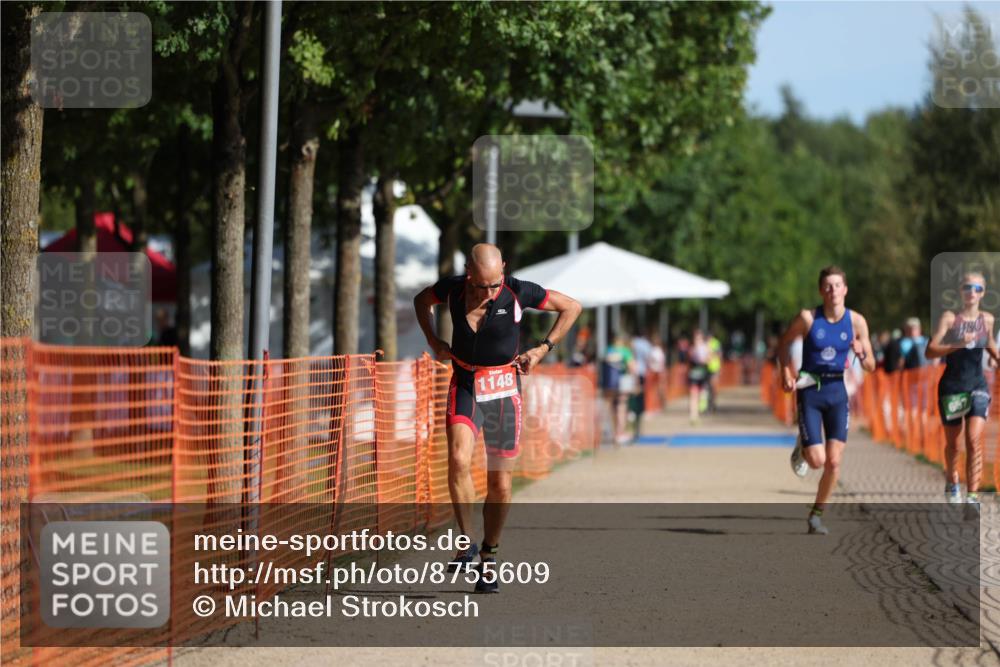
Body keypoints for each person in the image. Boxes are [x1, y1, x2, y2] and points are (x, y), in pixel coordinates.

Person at [413, 244, 581, 592]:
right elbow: (421, 301)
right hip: (466, 382)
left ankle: (489, 555)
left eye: (495, 285)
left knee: (500, 484)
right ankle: (466, 541)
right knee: (458, 458)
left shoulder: (518, 291)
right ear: (468, 272)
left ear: (503, 269)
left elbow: (571, 307)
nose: (489, 293)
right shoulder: (453, 289)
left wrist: (541, 349)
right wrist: (434, 340)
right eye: (482, 286)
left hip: (504, 388)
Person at [778, 266, 876, 535]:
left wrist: (862, 354)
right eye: (828, 286)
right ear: (821, 291)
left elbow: (871, 366)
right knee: (817, 461)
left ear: (845, 289)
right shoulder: (808, 319)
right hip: (810, 390)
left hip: (837, 391)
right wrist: (786, 372)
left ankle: (816, 515)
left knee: (834, 462)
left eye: (838, 285)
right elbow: (783, 343)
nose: (833, 291)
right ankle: (804, 446)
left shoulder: (857, 322)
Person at [925, 272, 1000, 518]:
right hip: (952, 387)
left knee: (974, 439)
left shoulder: (987, 319)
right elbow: (930, 350)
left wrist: (997, 356)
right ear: (960, 290)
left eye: (976, 287)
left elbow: (989, 342)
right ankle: (951, 478)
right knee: (954, 445)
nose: (971, 291)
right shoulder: (950, 319)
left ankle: (973, 497)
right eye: (967, 286)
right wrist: (956, 344)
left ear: (982, 293)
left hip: (977, 385)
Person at [602, 334, 636, 446]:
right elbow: (632, 367)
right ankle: (620, 434)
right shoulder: (625, 351)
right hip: (623, 381)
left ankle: (607, 431)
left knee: (610, 406)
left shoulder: (608, 350)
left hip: (609, 383)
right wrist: (636, 383)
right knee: (622, 406)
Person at [630, 330, 653, 440]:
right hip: (641, 373)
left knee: (634, 399)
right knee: (639, 399)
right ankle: (637, 424)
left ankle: (635, 423)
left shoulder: (632, 343)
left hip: (633, 374)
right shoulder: (646, 344)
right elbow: (649, 358)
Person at [687, 329, 711, 424]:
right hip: (694, 374)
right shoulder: (692, 348)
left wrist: (704, 359)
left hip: (703, 373)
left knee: (703, 393)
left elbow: (709, 359)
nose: (697, 340)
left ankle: (702, 405)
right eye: (696, 338)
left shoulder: (706, 347)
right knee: (693, 395)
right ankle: (693, 416)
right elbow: (690, 358)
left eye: (699, 338)